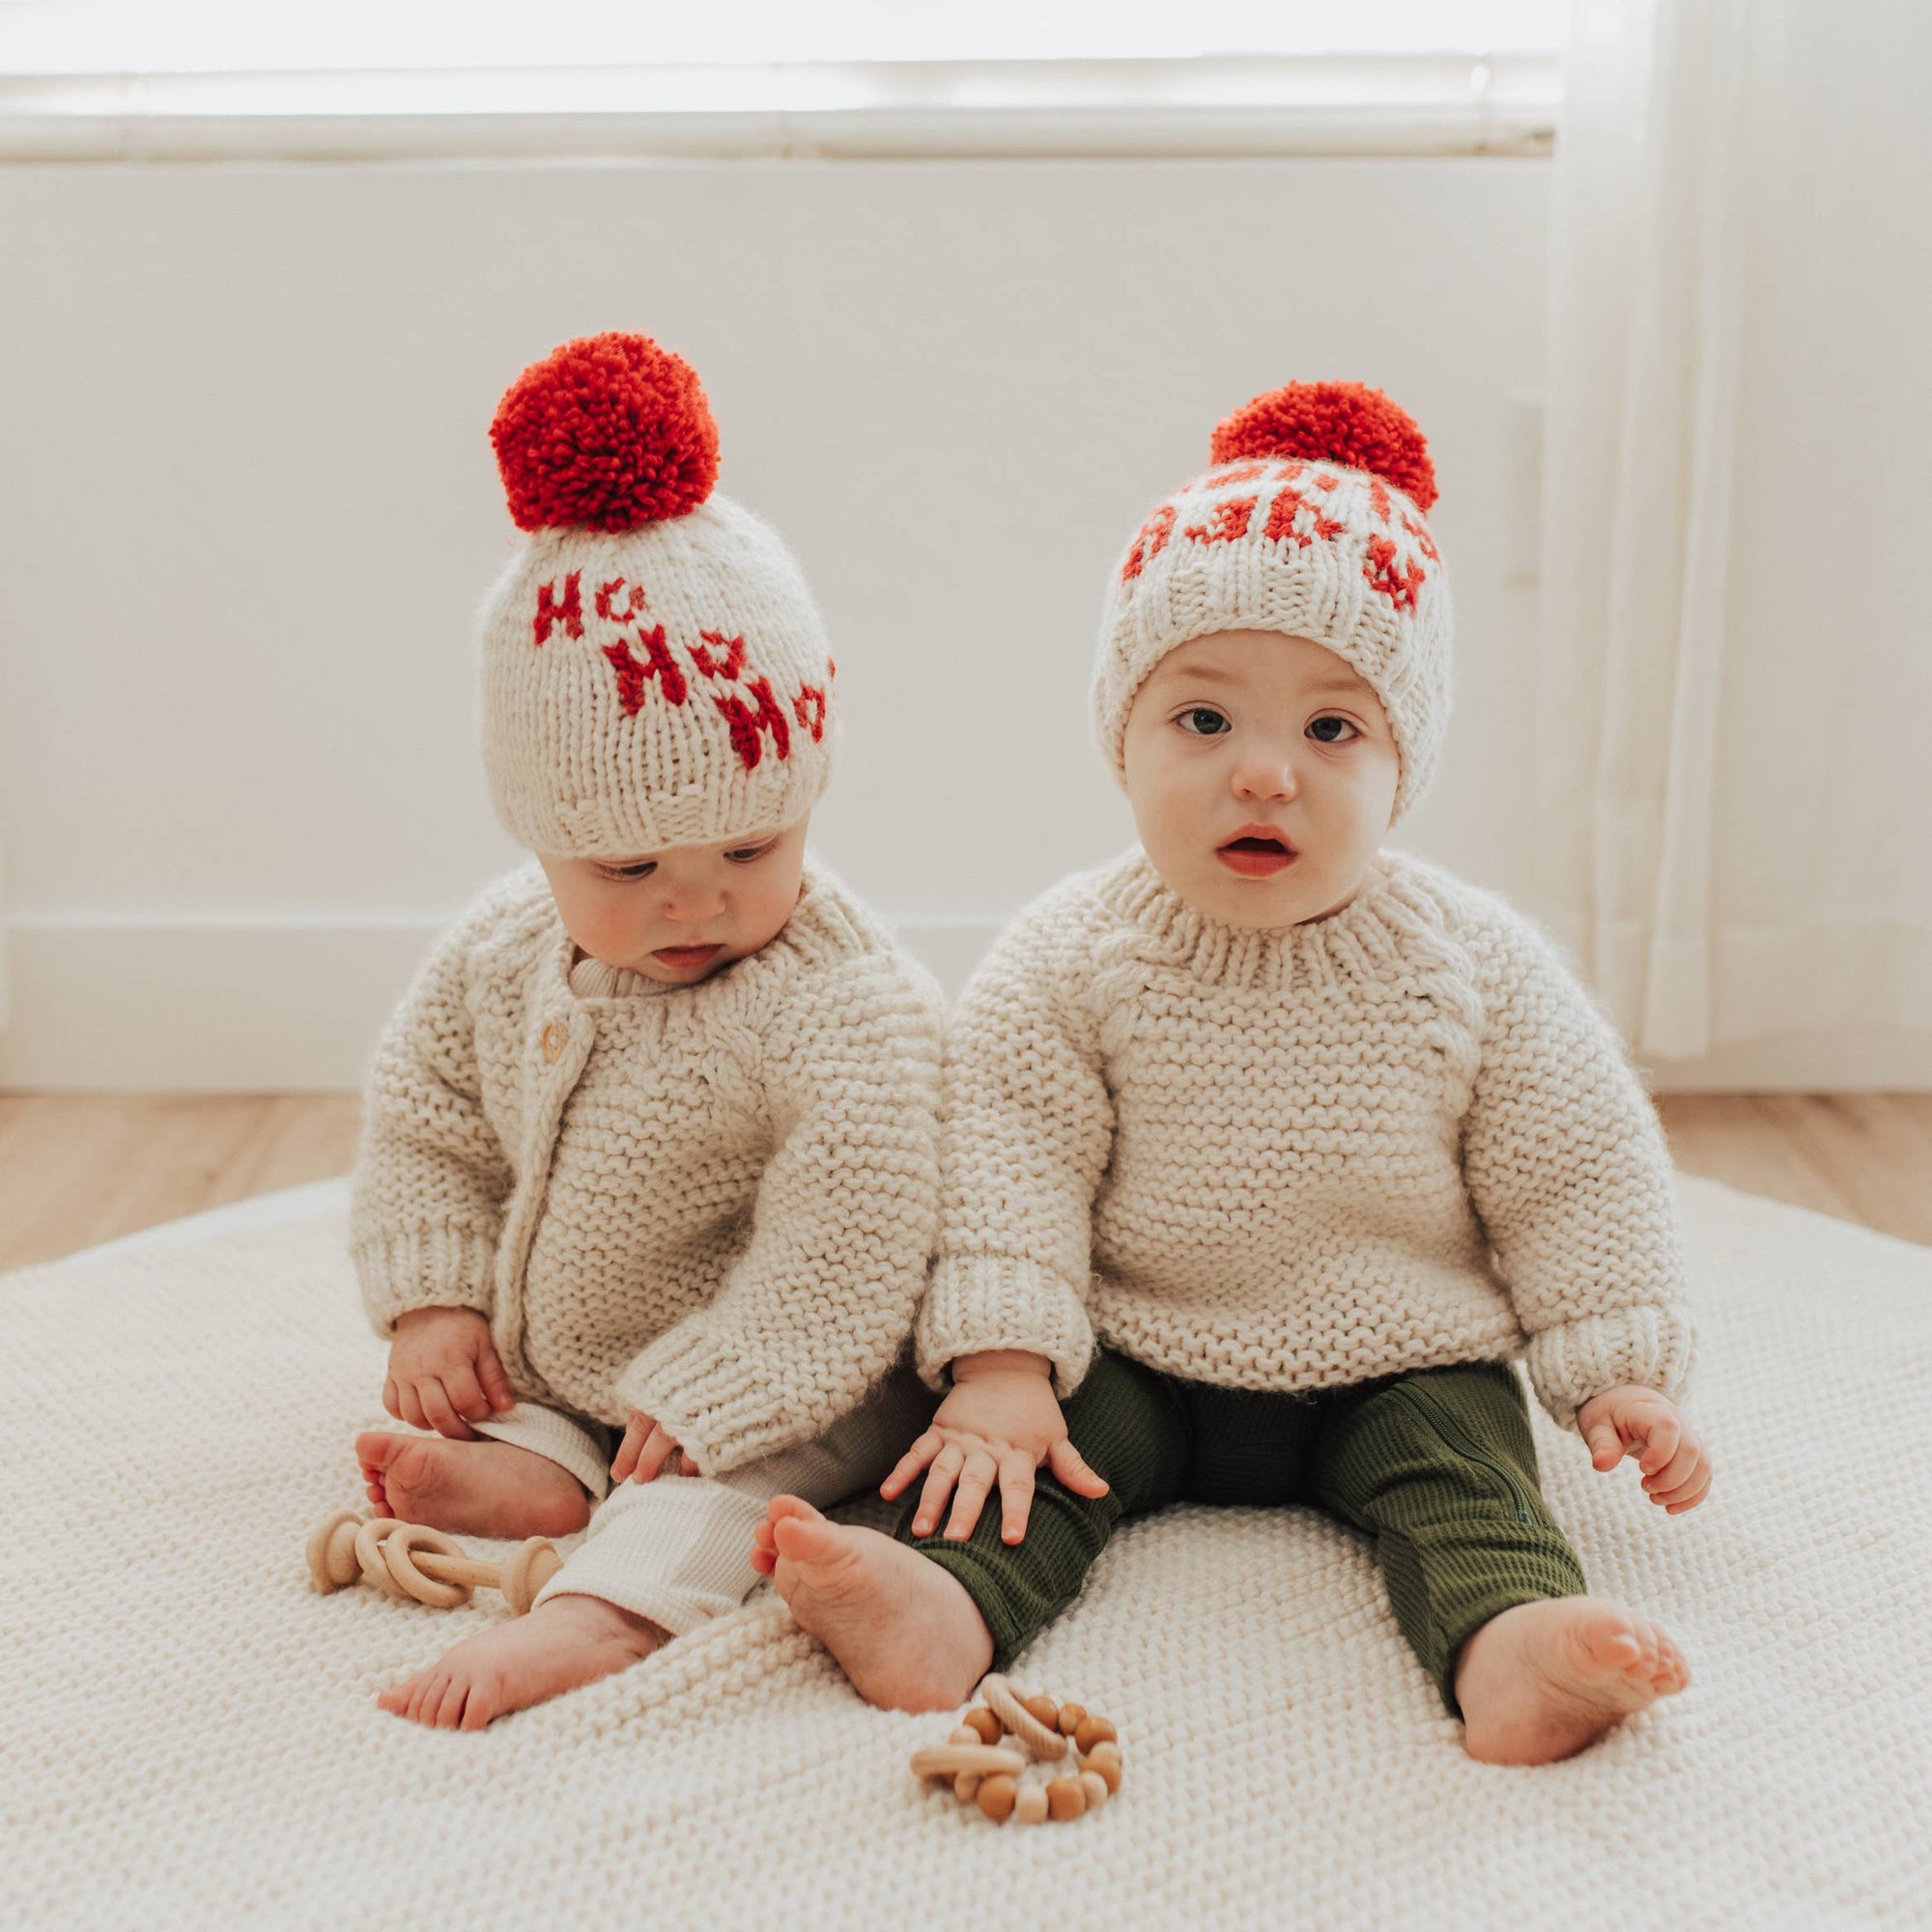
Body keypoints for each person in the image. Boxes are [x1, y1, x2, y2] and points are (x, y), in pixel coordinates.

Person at [753, 380, 1712, 1766]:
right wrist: (1006, 1363)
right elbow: (1005, 1156)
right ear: (1123, 735)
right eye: (1203, 721)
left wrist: (1618, 1369)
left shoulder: (1474, 963)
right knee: (1026, 1470)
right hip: (1142, 1345)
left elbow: (1576, 1166)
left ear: (1402, 764)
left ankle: (1515, 1647)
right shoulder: (1073, 954)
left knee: (1469, 1481)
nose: (1264, 775)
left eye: (1332, 731)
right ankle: (943, 1609)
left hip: (1404, 1357)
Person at [349, 331, 942, 1729]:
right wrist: (436, 1295)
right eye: (626, 869)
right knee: (524, 1398)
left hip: (818, 1365)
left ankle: (604, 1613)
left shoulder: (836, 998)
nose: (698, 899)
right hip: (595, 1352)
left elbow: (858, 1214)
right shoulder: (501, 951)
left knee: (709, 1485)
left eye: (752, 844)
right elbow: (425, 1114)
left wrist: (740, 1375)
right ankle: (545, 1461)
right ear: (540, 835)